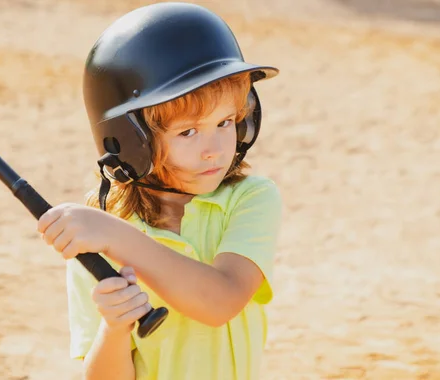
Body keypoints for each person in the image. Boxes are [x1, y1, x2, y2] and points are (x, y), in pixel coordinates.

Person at [36, 2, 282, 379]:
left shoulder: (250, 198)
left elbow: (220, 301)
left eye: (226, 121)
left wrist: (115, 237)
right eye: (188, 131)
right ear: (130, 140)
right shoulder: (98, 225)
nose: (215, 148)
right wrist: (115, 327)